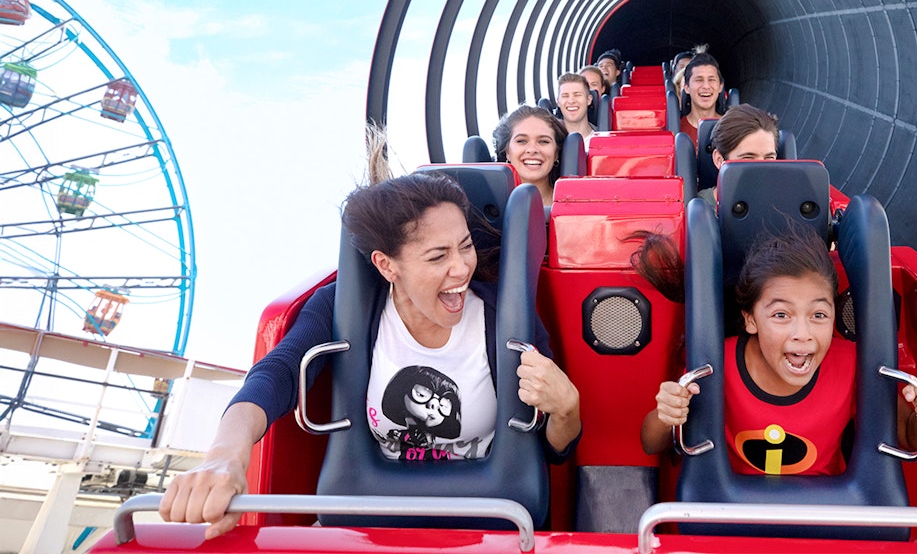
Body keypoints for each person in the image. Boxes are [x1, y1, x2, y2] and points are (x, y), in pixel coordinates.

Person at [160, 129, 581, 538]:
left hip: (487, 525)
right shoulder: (348, 311)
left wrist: (567, 411)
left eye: (465, 246)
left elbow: (550, 448)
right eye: (438, 256)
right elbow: (276, 374)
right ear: (386, 265)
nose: (461, 269)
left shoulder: (500, 316)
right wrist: (223, 455)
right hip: (372, 523)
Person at [636, 226, 917, 475]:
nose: (803, 335)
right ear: (750, 320)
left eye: (819, 316)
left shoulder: (851, 364)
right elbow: (651, 444)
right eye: (781, 315)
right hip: (736, 515)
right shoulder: (715, 364)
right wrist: (667, 415)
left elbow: (911, 439)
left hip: (822, 516)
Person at [697, 104, 779, 210]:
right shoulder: (700, 210)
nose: (761, 168)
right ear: (719, 160)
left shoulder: (786, 205)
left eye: (769, 158)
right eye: (748, 158)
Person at [492, 104, 567, 207]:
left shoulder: (573, 206)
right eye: (522, 141)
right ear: (507, 152)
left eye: (543, 141)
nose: (532, 150)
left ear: (556, 154)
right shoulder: (490, 208)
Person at [679, 53, 725, 149]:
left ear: (720, 87)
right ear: (686, 87)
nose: (706, 86)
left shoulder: (733, 127)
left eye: (711, 80)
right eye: (699, 80)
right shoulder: (676, 129)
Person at [555, 72, 596, 142]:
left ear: (589, 100)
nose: (571, 101)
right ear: (558, 102)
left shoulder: (602, 138)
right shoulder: (551, 141)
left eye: (577, 95)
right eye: (565, 96)